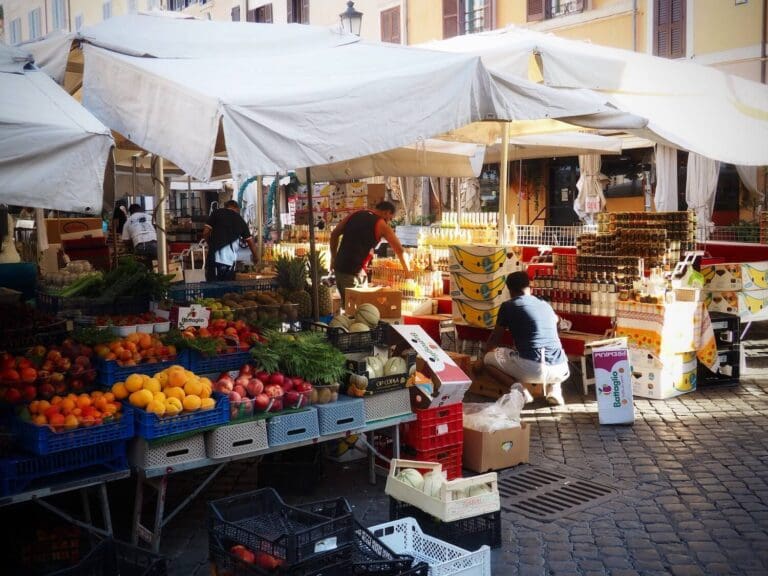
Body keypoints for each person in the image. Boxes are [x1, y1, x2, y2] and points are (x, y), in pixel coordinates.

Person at [481, 271, 570, 406]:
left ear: (509, 290)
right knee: (551, 352)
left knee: (488, 359)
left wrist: (482, 358)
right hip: (561, 368)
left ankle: (520, 391)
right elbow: (558, 324)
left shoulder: (508, 306)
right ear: (530, 287)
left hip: (532, 369)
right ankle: (555, 391)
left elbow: (494, 339)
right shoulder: (545, 304)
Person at [329, 201, 408, 304]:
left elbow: (334, 234)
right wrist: (407, 272)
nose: (389, 221)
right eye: (390, 218)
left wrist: (333, 257)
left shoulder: (355, 214)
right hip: (352, 273)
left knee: (349, 307)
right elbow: (400, 250)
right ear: (386, 212)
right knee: (359, 309)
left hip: (340, 269)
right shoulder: (381, 224)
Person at [202, 200, 259, 282]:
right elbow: (250, 241)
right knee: (228, 286)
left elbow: (206, 232)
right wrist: (255, 257)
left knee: (212, 285)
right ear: (237, 209)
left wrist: (210, 243)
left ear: (226, 207)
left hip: (214, 258)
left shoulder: (216, 213)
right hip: (230, 261)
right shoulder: (240, 220)